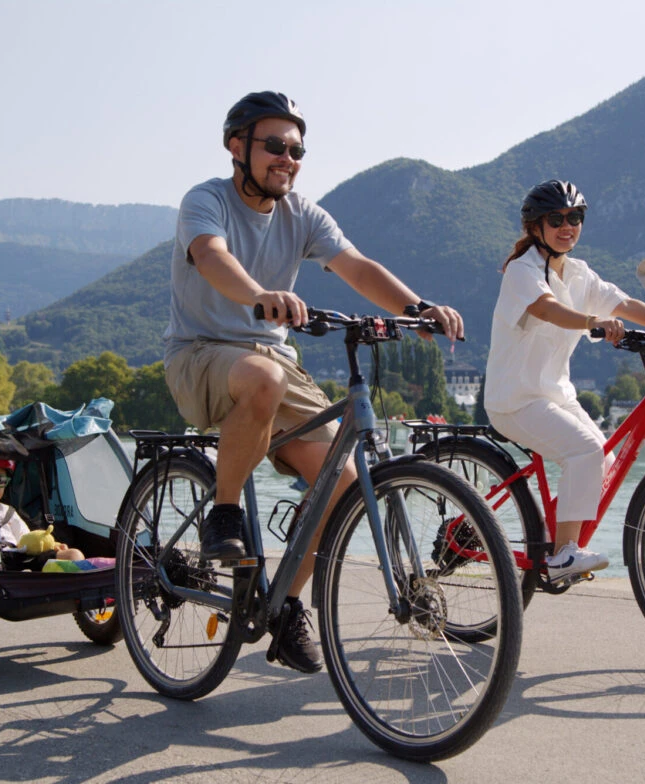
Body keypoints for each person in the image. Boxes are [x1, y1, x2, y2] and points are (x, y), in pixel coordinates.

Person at [163, 91, 463, 673]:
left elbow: (357, 267)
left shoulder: (303, 212)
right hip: (200, 353)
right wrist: (258, 296)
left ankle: (285, 605)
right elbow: (211, 255)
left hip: (272, 362)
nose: (288, 158)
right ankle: (224, 513)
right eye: (274, 145)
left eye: (297, 149)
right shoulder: (207, 200)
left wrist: (419, 306)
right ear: (237, 147)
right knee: (264, 377)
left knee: (344, 483)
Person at [483, 180, 645, 583]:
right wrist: (591, 323)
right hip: (515, 399)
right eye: (557, 219)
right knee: (584, 451)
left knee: (603, 459)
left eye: (575, 218)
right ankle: (564, 553)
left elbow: (625, 305)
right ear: (535, 226)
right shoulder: (522, 270)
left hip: (555, 395)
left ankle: (550, 537)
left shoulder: (580, 273)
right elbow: (547, 308)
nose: (568, 226)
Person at [0, 453, 85, 561]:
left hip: (17, 561)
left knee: (74, 555)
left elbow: (26, 540)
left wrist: (52, 545)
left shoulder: (7, 513)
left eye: (0, 480)